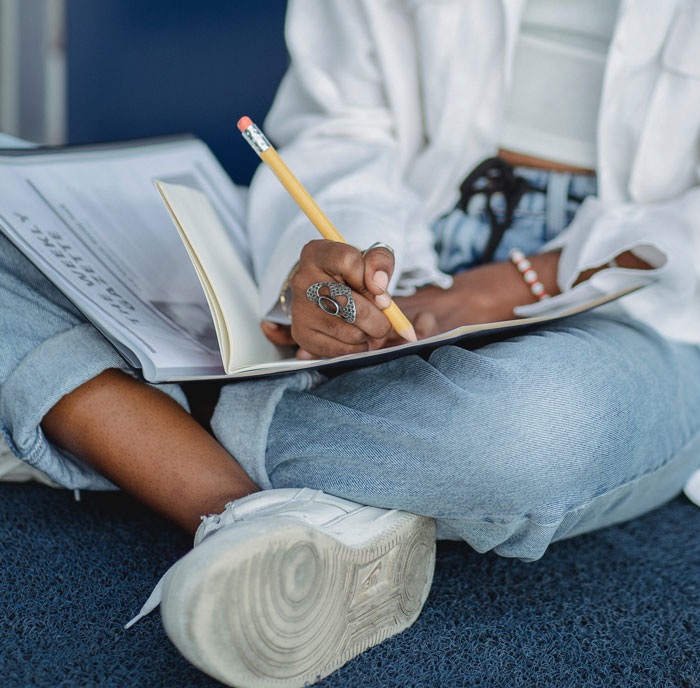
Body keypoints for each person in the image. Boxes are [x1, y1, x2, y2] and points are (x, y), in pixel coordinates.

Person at [2, 1, 700, 687]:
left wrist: (515, 283)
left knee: (529, 437)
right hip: (409, 246)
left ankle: (143, 422)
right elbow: (339, 126)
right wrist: (344, 258)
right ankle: (246, 500)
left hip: (644, 303)